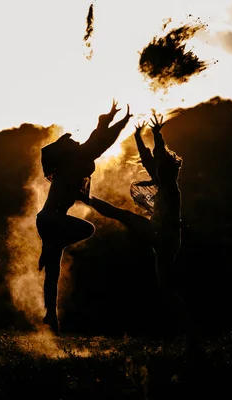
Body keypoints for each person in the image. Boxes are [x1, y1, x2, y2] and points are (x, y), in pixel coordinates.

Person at [80, 111, 204, 354]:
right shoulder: (162, 178)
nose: (153, 166)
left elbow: (156, 156)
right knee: (165, 289)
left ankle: (87, 198)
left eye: (158, 164)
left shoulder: (168, 184)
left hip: (164, 234)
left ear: (165, 168)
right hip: (165, 236)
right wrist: (141, 136)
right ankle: (189, 336)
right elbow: (150, 157)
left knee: (123, 215)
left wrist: (155, 136)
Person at [37, 99, 133, 334]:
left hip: (47, 219)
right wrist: (118, 122)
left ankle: (51, 315)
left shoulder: (66, 172)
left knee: (53, 271)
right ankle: (53, 248)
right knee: (87, 229)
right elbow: (99, 141)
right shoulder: (74, 165)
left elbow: (96, 139)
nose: (80, 144)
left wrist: (111, 119)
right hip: (53, 219)